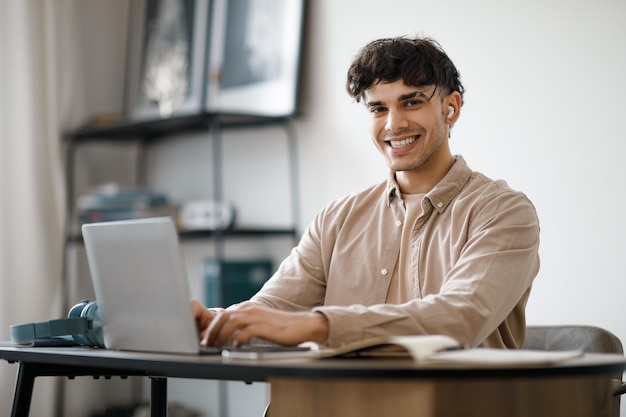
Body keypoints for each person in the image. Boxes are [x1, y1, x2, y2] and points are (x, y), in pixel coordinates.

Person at [192, 35, 540, 350]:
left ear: (451, 108)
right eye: (378, 108)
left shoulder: (505, 212)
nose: (394, 124)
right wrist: (216, 321)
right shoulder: (337, 218)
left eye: (412, 102)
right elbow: (273, 310)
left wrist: (317, 325)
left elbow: (461, 316)